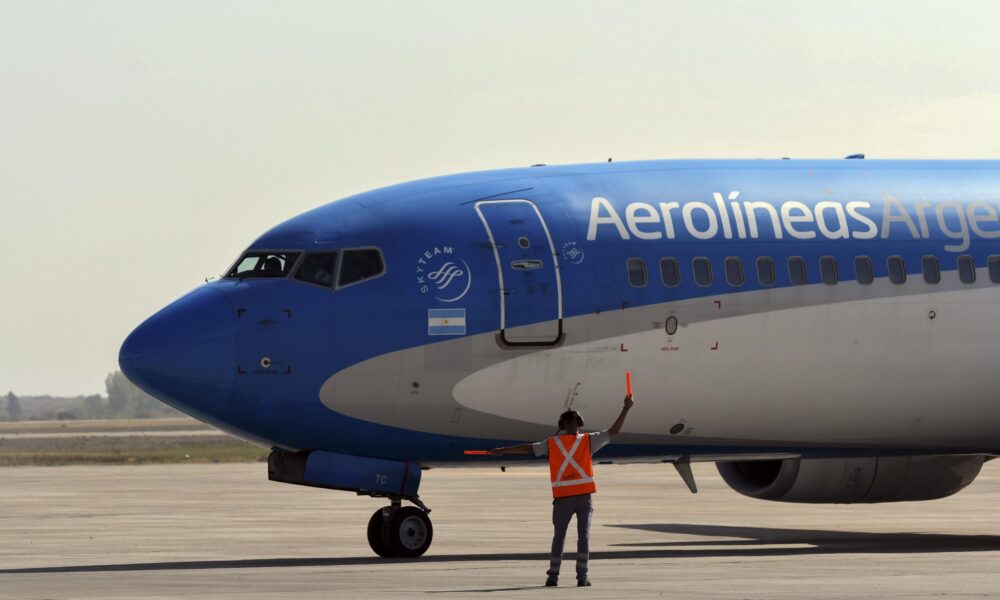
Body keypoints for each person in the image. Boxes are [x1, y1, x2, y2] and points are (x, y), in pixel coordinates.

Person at [489, 394, 634, 587]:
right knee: (584, 536)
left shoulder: (552, 443)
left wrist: (503, 450)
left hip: (563, 499)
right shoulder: (588, 441)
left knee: (559, 536)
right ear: (579, 423)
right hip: (583, 497)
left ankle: (553, 577)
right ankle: (582, 577)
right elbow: (614, 431)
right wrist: (626, 408)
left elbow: (527, 449)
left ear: (562, 424)